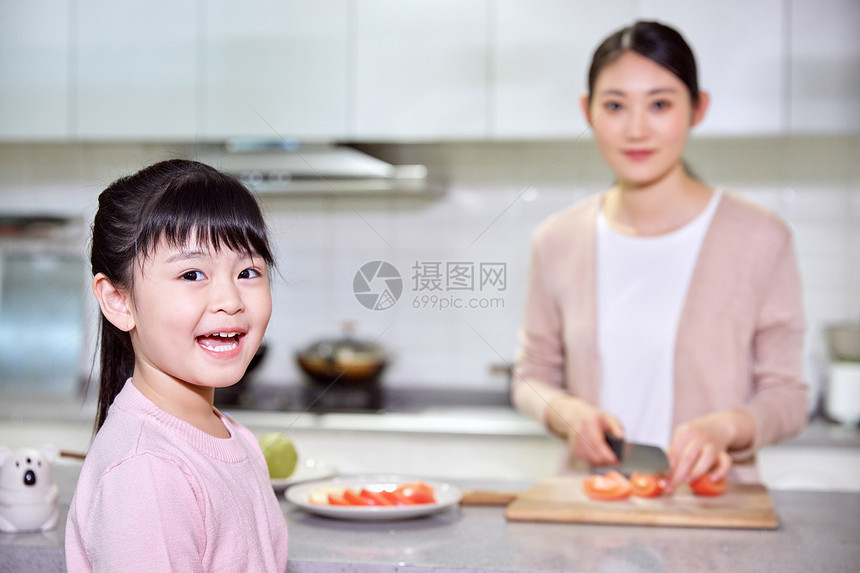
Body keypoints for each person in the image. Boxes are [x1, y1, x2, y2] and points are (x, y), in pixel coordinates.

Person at [512, 21, 807, 490]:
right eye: (614, 106)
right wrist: (565, 412)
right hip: (591, 514)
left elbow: (788, 396)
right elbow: (531, 377)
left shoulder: (761, 238)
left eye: (660, 104)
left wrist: (726, 428)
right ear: (588, 112)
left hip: (714, 520)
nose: (636, 129)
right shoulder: (557, 240)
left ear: (698, 108)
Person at [66, 159, 288, 571]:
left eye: (249, 271)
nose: (231, 299)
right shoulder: (146, 472)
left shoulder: (233, 436)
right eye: (191, 274)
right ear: (119, 300)